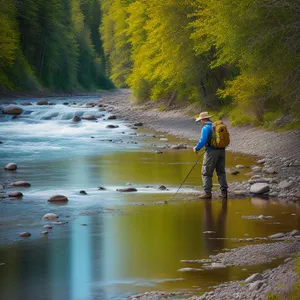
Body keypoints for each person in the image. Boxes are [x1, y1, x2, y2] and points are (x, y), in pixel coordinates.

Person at [193, 112, 228, 199]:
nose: (201, 121)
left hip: (211, 152)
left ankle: (207, 193)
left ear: (202, 119)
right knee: (221, 172)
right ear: (208, 118)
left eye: (201, 120)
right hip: (222, 151)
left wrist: (196, 148)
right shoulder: (216, 126)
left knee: (206, 173)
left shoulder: (206, 128)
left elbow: (203, 140)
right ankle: (224, 192)